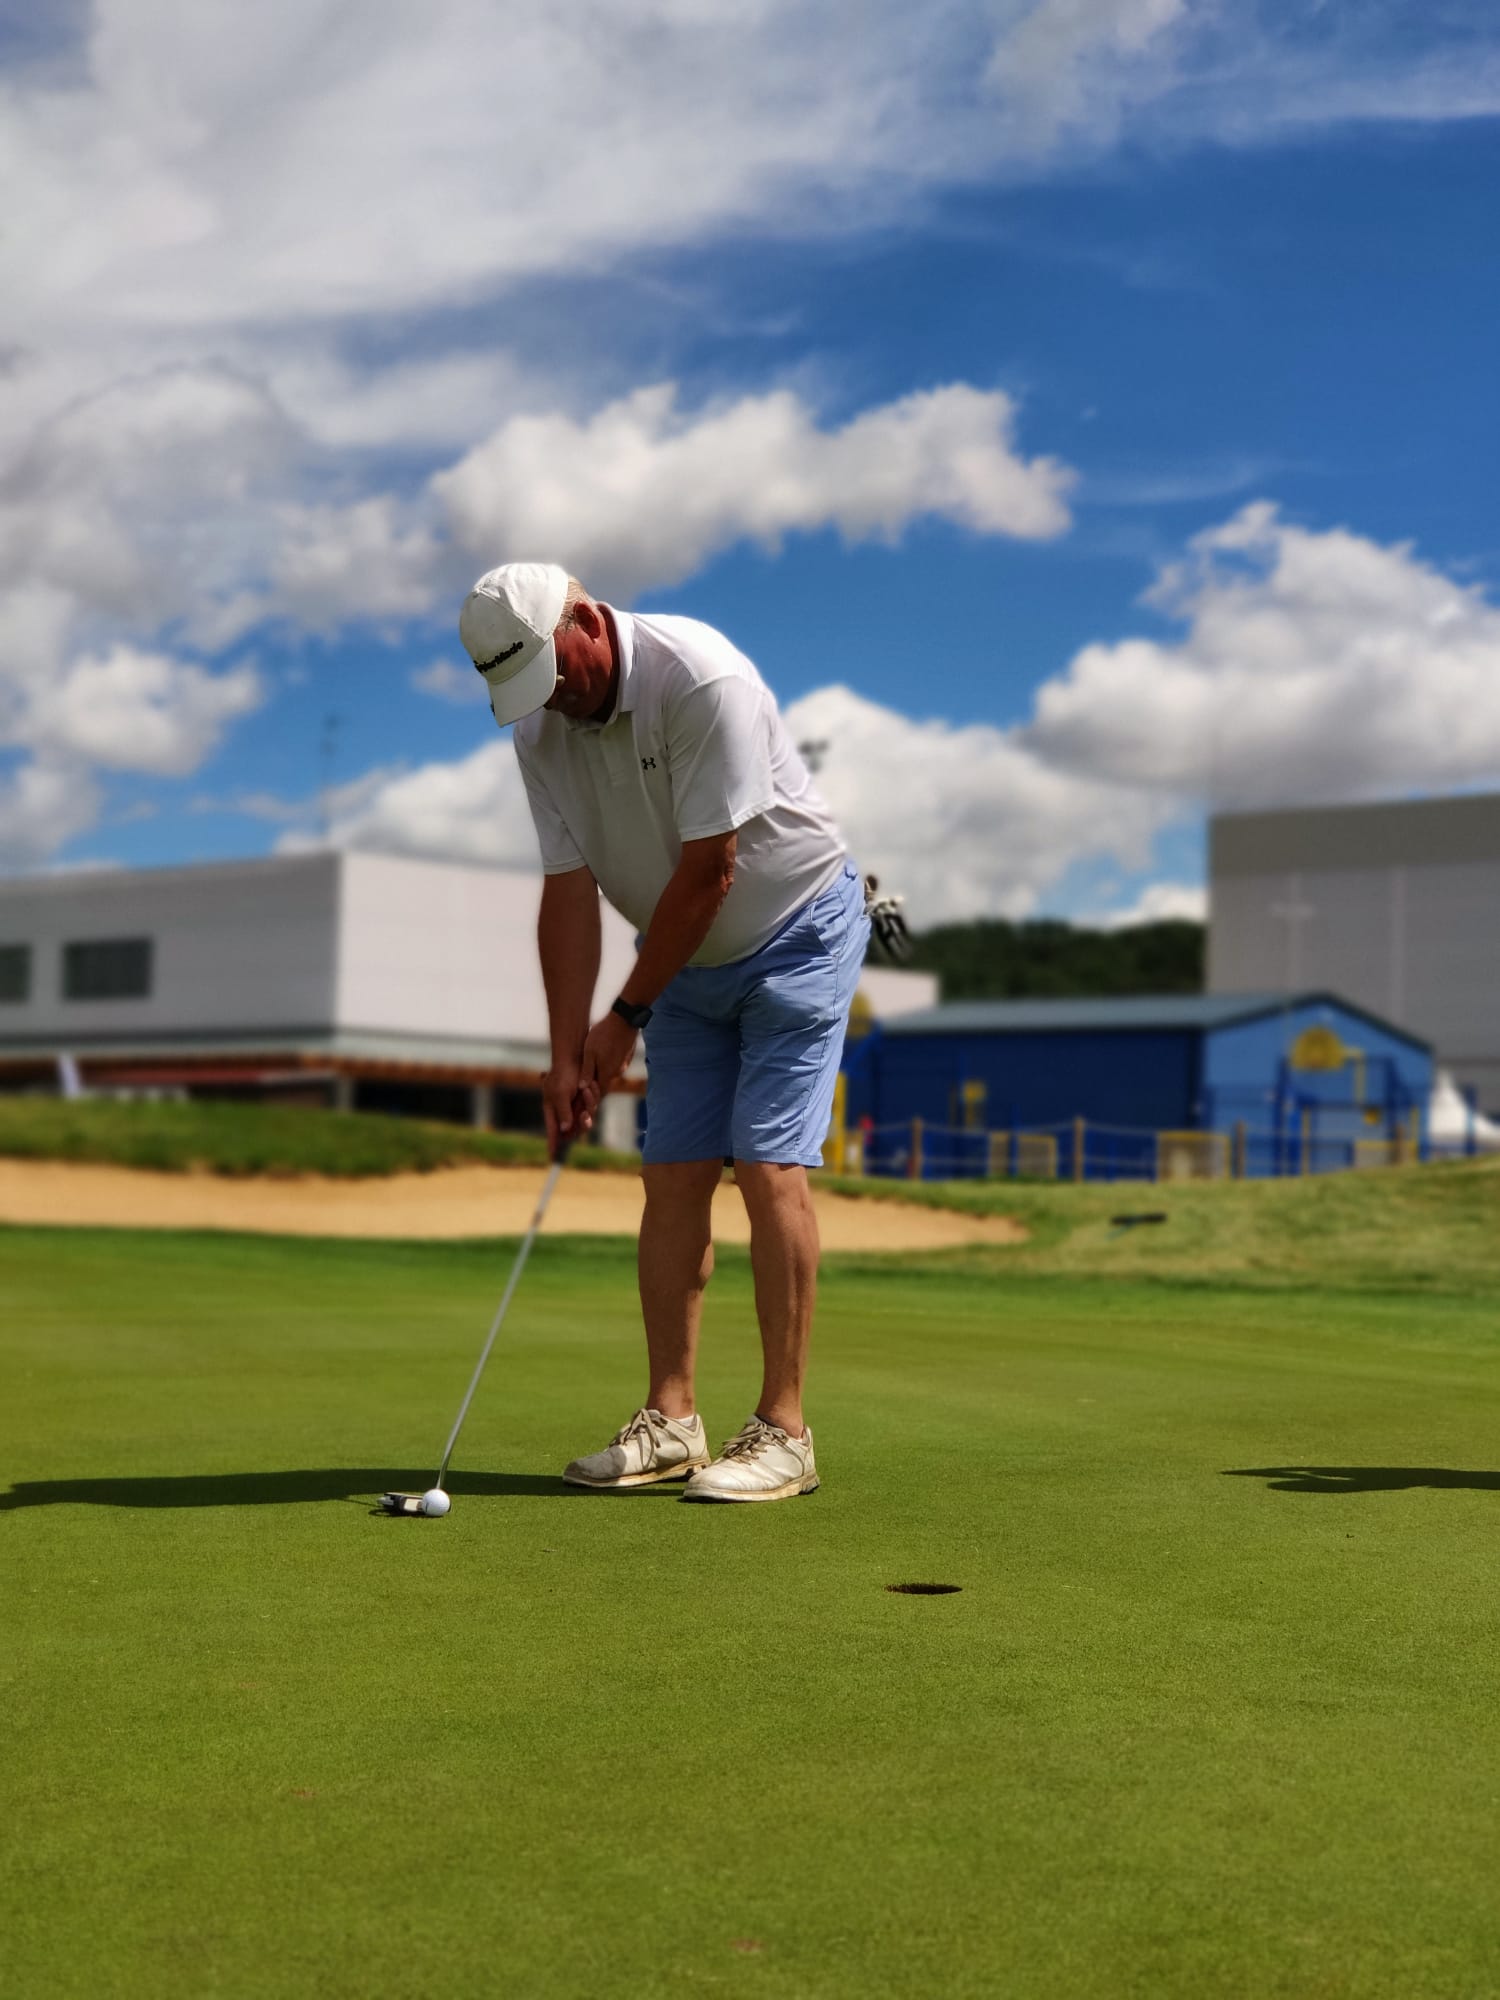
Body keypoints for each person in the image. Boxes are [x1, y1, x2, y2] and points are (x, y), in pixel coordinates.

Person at [459, 560, 869, 1503]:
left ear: (584, 620)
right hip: (682, 958)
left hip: (796, 931)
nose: (554, 702)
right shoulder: (544, 736)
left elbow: (711, 871)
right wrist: (567, 1055)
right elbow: (568, 894)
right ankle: (672, 1422)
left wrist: (625, 1016)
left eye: (557, 674)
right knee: (673, 1175)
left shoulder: (700, 676)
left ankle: (784, 1432)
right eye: (531, 692)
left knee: (768, 1165)